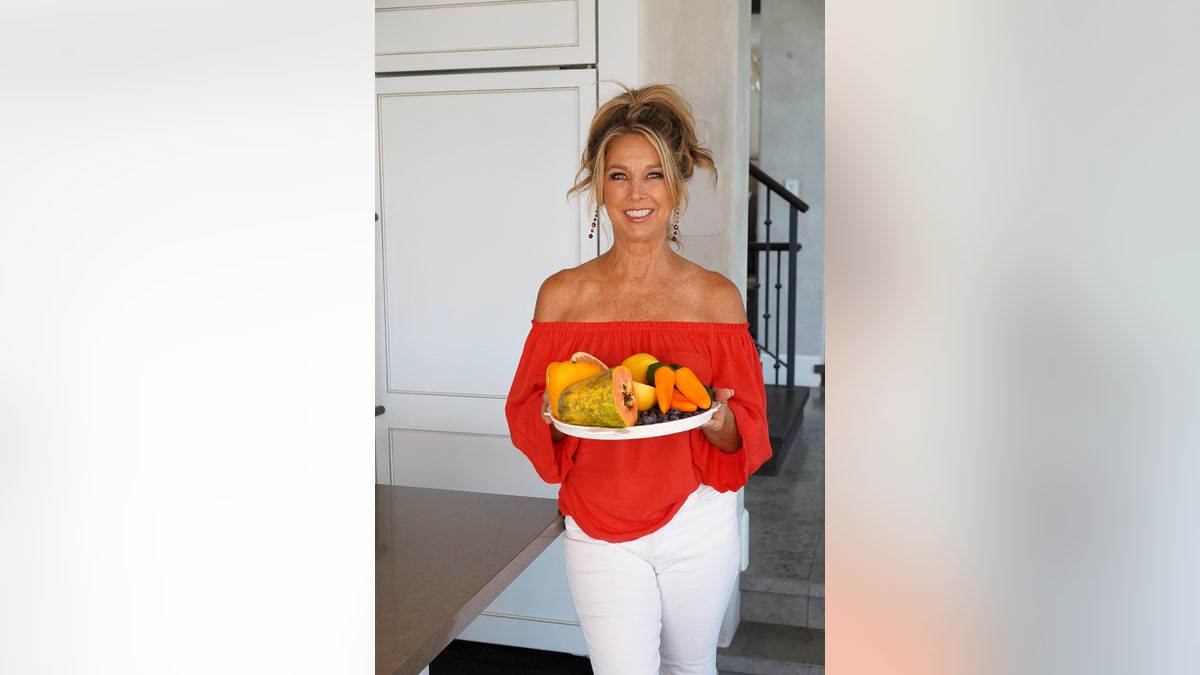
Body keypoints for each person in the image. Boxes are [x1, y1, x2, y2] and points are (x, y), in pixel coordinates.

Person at [505, 83, 773, 675]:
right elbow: (526, 409)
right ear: (598, 186)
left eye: (653, 174)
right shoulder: (564, 296)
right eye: (619, 175)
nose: (636, 194)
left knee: (690, 668)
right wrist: (554, 416)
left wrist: (722, 418)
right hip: (598, 523)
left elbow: (743, 435)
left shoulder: (715, 299)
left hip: (697, 521)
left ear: (676, 186)